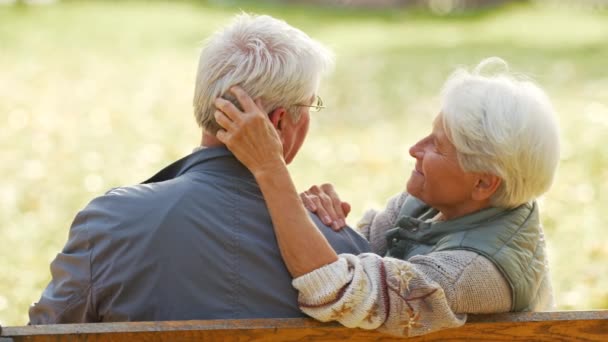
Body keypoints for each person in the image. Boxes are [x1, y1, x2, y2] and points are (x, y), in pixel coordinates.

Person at [28, 14, 369, 324]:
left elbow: (47, 331)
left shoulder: (109, 222)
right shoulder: (341, 264)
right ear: (279, 121)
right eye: (311, 105)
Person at [213, 57, 560, 336]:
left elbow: (335, 291)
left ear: (484, 184)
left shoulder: (476, 272)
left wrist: (269, 167)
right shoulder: (433, 205)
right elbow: (359, 255)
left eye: (437, 146)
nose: (415, 149)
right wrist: (328, 224)